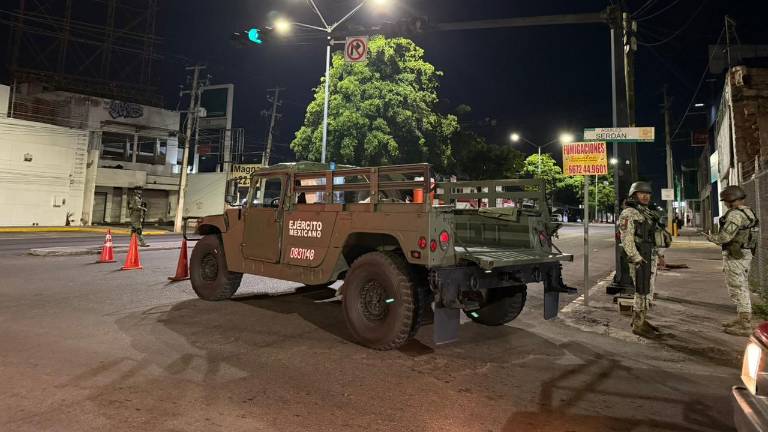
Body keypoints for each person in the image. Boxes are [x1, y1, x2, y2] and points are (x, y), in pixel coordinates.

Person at [618, 181, 671, 338]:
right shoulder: (628, 213)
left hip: (650, 255)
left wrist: (660, 255)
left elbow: (655, 236)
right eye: (642, 193)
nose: (646, 196)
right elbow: (626, 238)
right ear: (634, 195)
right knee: (641, 290)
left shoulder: (647, 213)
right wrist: (636, 258)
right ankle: (638, 324)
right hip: (640, 258)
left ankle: (641, 319)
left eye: (648, 194)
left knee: (648, 291)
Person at [705, 185, 759, 336]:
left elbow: (725, 237)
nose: (725, 204)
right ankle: (742, 318)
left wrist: (712, 238)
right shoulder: (748, 211)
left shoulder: (735, 214)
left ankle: (745, 325)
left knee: (737, 287)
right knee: (741, 285)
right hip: (745, 253)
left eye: (725, 201)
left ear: (730, 200)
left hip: (736, 255)